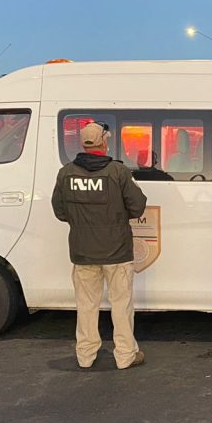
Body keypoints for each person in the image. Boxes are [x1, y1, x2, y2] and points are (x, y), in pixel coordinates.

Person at [52, 122, 148, 370]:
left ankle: (85, 356)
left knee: (86, 306)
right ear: (104, 143)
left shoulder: (66, 173)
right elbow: (138, 207)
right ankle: (125, 355)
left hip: (83, 252)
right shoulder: (118, 172)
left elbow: (59, 211)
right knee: (121, 305)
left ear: (83, 144)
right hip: (117, 252)